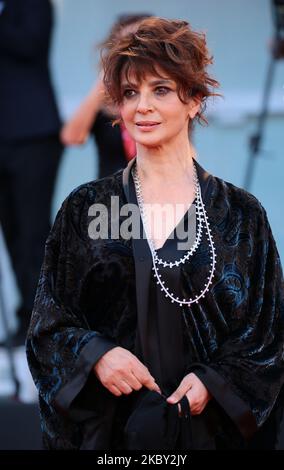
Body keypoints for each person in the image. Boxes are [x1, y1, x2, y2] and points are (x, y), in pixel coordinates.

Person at [26, 17, 284, 450]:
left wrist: (213, 383)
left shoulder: (240, 215)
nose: (141, 106)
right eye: (130, 93)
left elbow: (267, 335)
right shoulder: (88, 209)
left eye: (160, 90)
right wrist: (96, 355)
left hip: (210, 437)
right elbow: (48, 326)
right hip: (111, 440)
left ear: (195, 100)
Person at [0, 0, 63, 346]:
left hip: (33, 133)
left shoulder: (34, 3)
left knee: (33, 231)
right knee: (11, 231)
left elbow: (30, 44)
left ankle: (46, 321)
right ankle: (26, 316)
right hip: (3, 135)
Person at [61, 14, 151, 178]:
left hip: (157, 196)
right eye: (125, 46)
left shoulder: (164, 98)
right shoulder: (104, 100)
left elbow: (187, 155)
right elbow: (72, 137)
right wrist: (105, 77)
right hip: (110, 198)